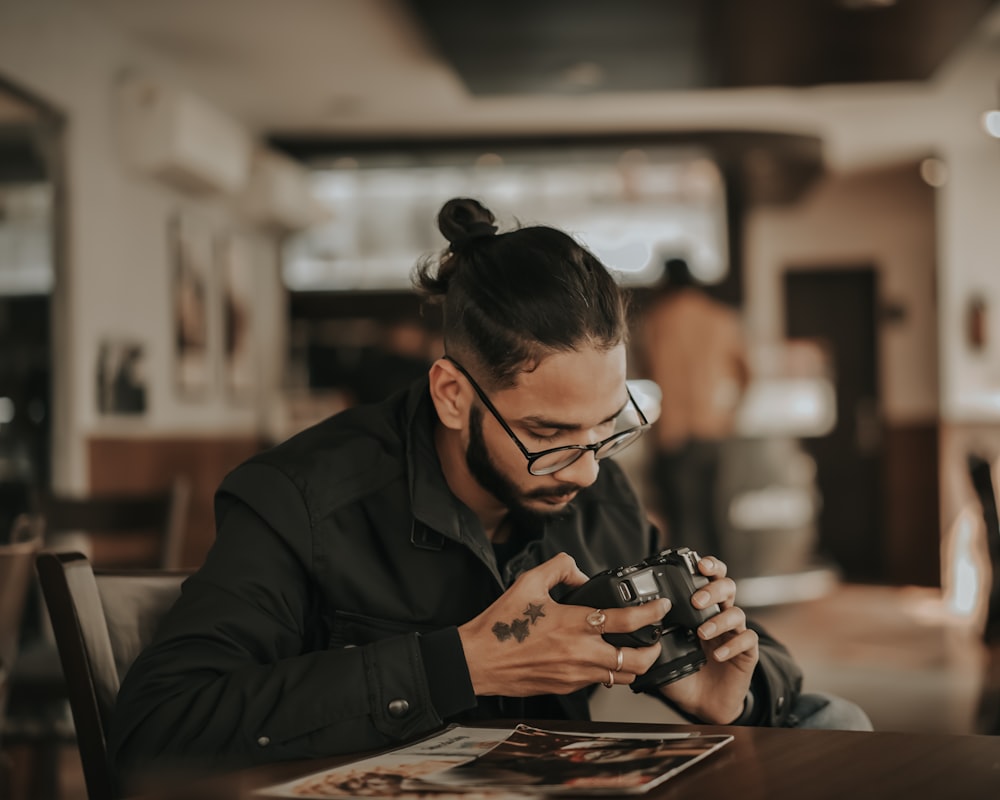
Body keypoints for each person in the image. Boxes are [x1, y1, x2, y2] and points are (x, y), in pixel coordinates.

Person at [109, 198, 870, 788]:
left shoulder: (595, 489)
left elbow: (752, 670)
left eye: (607, 427)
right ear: (451, 394)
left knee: (836, 720)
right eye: (546, 434)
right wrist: (461, 665)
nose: (585, 470)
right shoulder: (301, 499)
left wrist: (723, 694)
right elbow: (158, 726)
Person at [638, 258, 750, 560]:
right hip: (712, 430)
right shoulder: (720, 317)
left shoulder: (656, 320)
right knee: (716, 515)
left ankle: (691, 594)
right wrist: (730, 414)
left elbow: (646, 374)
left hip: (672, 434)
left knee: (682, 519)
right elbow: (747, 373)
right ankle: (724, 589)